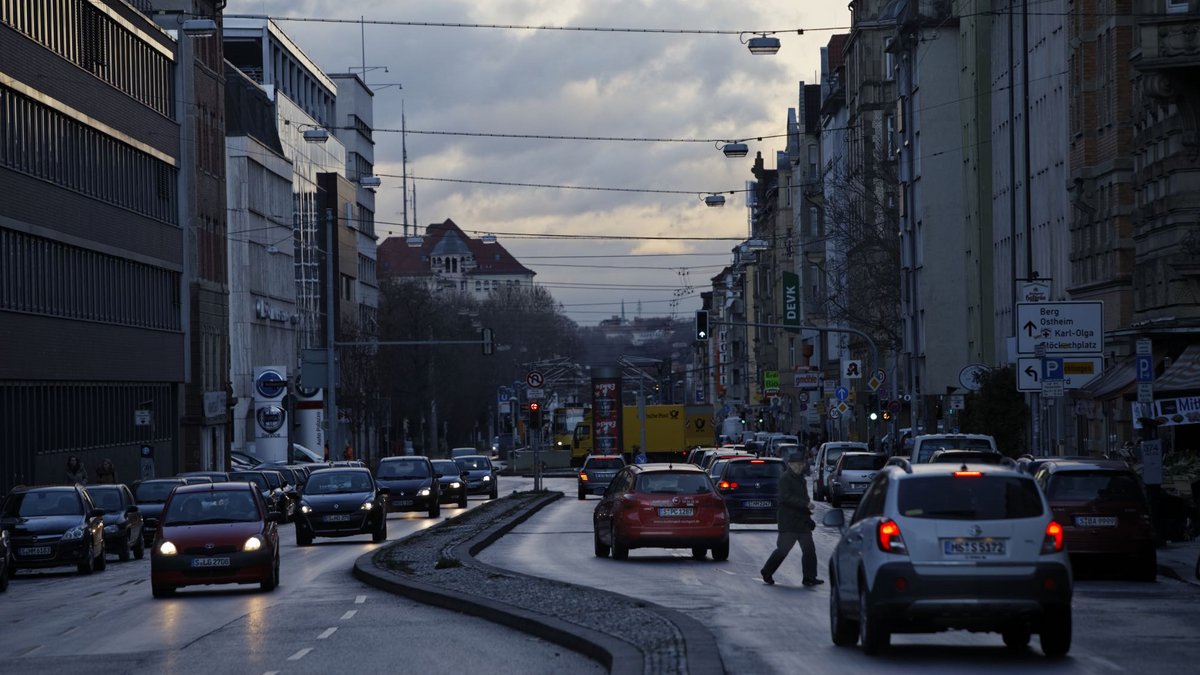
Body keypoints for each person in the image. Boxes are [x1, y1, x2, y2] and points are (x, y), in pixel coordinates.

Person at [760, 450, 823, 587]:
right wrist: (805, 504)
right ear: (790, 464)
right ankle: (767, 571)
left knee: (809, 550)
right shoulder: (785, 478)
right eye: (797, 465)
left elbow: (804, 498)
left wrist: (808, 517)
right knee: (783, 550)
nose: (800, 467)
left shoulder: (801, 479)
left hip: (802, 522)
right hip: (788, 522)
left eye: (802, 464)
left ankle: (809, 577)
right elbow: (785, 498)